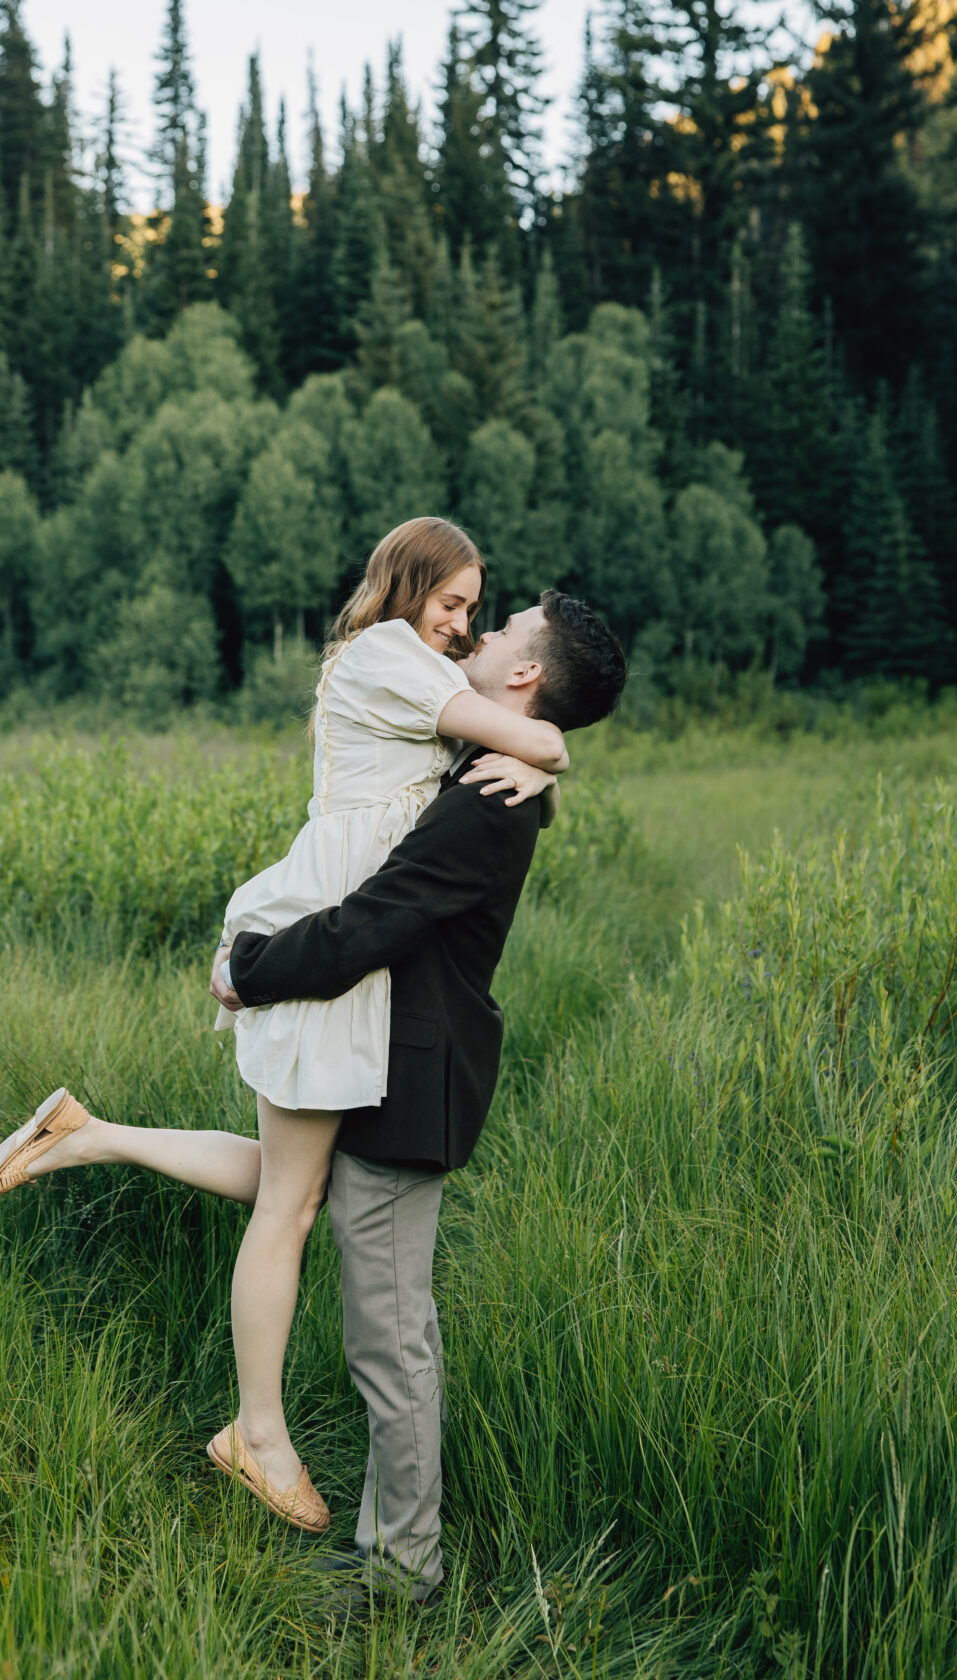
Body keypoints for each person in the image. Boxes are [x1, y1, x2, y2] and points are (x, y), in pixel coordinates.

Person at [0, 517, 568, 1535]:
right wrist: (548, 756)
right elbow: (535, 731)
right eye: (453, 602)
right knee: (288, 1206)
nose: (464, 626)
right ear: (407, 582)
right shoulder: (388, 654)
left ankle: (90, 1135)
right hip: (326, 931)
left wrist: (537, 768)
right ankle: (257, 1432)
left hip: (338, 930)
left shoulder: (412, 671)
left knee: (301, 1183)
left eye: (477, 611)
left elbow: (495, 752)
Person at [210, 589, 627, 1602]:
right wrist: (541, 756)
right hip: (387, 1067)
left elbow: (375, 922)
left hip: (414, 1085)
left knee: (391, 1338)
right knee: (372, 1313)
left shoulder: (493, 794)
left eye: (505, 630)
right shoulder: (494, 768)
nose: (481, 637)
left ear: (525, 674)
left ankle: (404, 1567)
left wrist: (248, 970)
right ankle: (391, 1545)